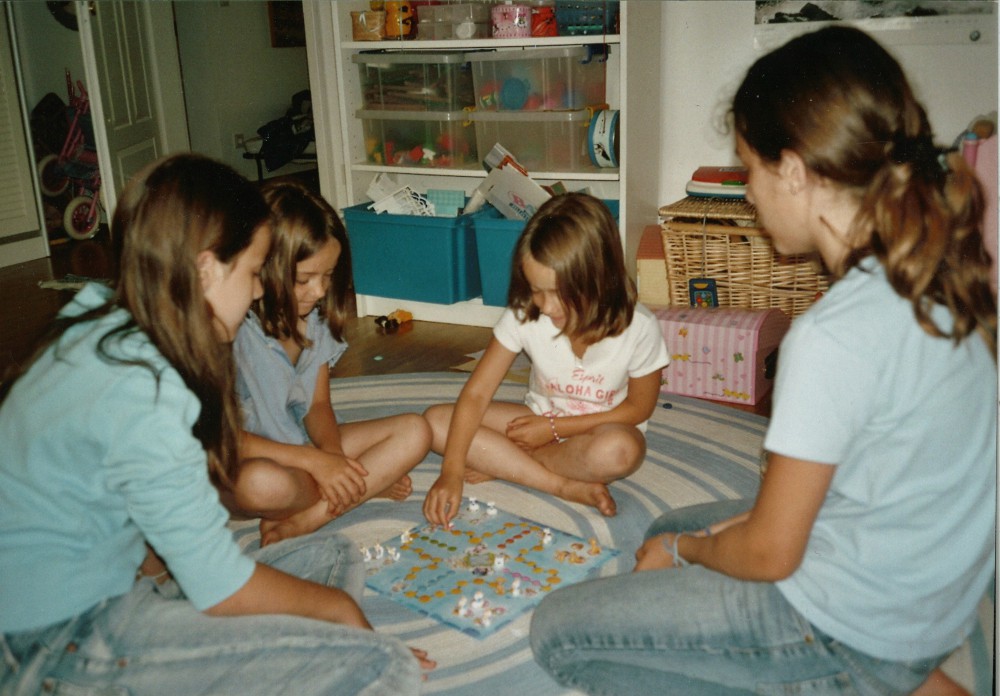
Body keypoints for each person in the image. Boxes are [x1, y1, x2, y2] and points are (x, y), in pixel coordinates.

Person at [531, 27, 996, 696]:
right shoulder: (933, 277)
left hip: (849, 626)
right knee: (669, 525)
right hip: (923, 599)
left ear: (795, 171)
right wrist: (695, 540)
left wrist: (691, 551)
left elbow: (771, 554)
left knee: (560, 630)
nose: (747, 192)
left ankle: (852, 680)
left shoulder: (833, 337)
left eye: (749, 169)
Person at [0, 154, 432, 695]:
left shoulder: (100, 318)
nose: (258, 291)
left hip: (109, 591)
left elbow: (149, 522)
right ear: (207, 269)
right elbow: (219, 585)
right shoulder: (146, 389)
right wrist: (340, 615)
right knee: (380, 663)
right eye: (252, 272)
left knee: (333, 556)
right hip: (56, 637)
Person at [422, 193, 670, 525]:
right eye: (536, 290)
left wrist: (553, 428)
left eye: (560, 293)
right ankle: (559, 484)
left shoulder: (639, 326)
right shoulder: (525, 314)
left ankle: (508, 462)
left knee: (620, 452)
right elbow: (477, 394)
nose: (547, 306)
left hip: (602, 431)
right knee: (436, 421)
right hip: (536, 419)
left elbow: (638, 409)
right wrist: (451, 472)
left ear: (598, 277)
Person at [227, 181, 430, 546]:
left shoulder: (316, 323)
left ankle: (310, 517)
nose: (320, 291)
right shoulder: (234, 330)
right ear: (262, 267)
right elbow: (220, 438)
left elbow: (318, 406)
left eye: (328, 276)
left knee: (416, 430)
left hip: (300, 449)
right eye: (304, 279)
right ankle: (366, 484)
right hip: (243, 463)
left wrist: (335, 459)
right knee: (258, 484)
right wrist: (318, 465)